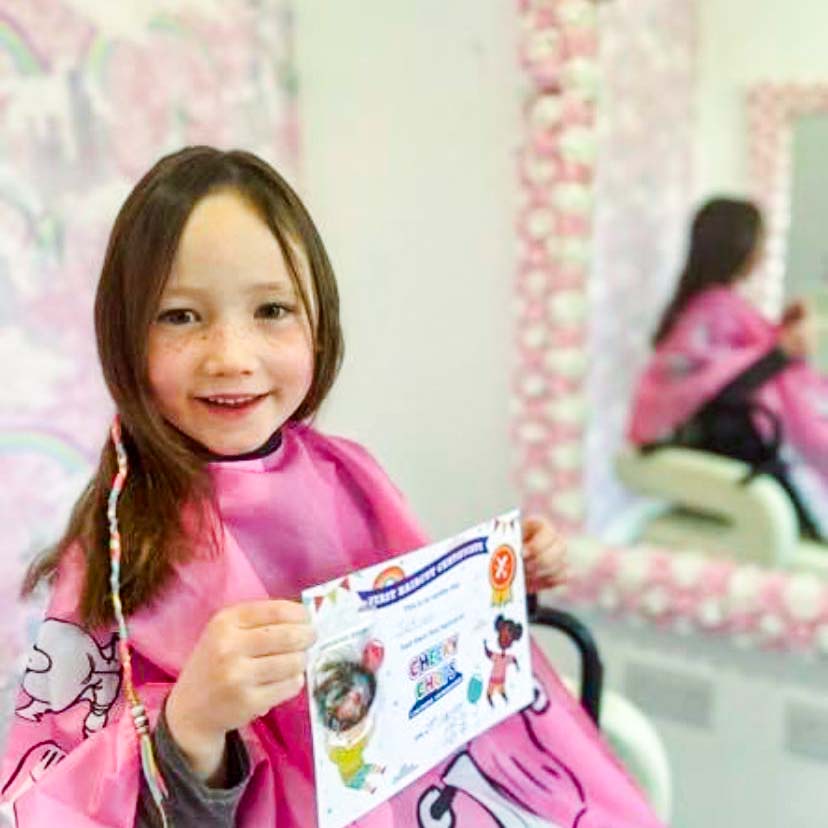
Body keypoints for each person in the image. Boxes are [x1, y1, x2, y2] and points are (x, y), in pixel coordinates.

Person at [1, 147, 661, 827]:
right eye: (180, 316)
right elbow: (63, 795)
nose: (231, 356)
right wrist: (190, 729)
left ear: (320, 323)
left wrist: (500, 586)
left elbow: (419, 652)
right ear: (124, 334)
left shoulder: (348, 474)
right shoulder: (116, 549)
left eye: (273, 310)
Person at [628, 197, 828, 537]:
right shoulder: (712, 308)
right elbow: (720, 391)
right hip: (734, 442)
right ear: (739, 247)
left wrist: (778, 334)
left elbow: (734, 364)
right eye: (760, 242)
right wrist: (780, 351)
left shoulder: (715, 303)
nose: (762, 253)